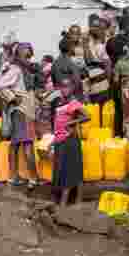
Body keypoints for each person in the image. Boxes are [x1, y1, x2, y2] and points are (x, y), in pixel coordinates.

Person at [0, 43, 40, 188]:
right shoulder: (16, 70)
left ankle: (13, 176)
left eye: (30, 55)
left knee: (15, 144)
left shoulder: (21, 69)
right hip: (22, 111)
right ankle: (33, 178)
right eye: (26, 56)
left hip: (21, 111)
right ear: (17, 56)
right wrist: (12, 98)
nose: (29, 59)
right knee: (27, 144)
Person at [52, 77, 88, 207]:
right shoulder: (60, 102)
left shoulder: (74, 102)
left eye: (67, 87)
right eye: (62, 87)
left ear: (72, 88)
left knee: (72, 171)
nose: (64, 89)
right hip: (60, 139)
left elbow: (87, 116)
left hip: (70, 140)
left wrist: (71, 123)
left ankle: (69, 202)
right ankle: (66, 201)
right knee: (64, 170)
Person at [52, 36, 85, 101]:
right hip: (74, 97)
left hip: (61, 97)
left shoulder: (55, 64)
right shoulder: (71, 62)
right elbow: (77, 81)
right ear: (71, 48)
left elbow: (54, 82)